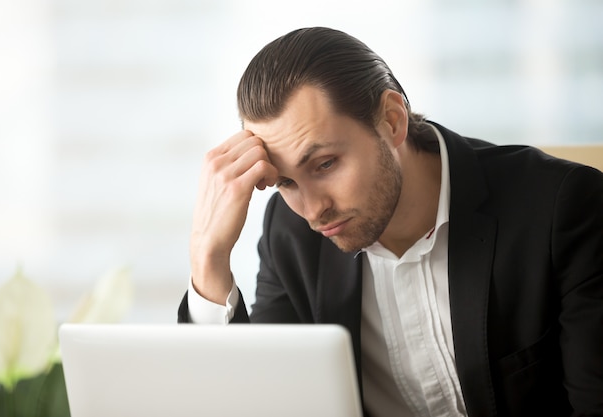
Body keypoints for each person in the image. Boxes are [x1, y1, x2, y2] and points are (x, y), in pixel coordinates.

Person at [178, 27, 603, 417]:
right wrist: (208, 260)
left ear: (392, 120)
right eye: (286, 181)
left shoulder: (561, 208)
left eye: (325, 164)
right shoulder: (290, 235)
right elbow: (263, 404)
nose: (312, 209)